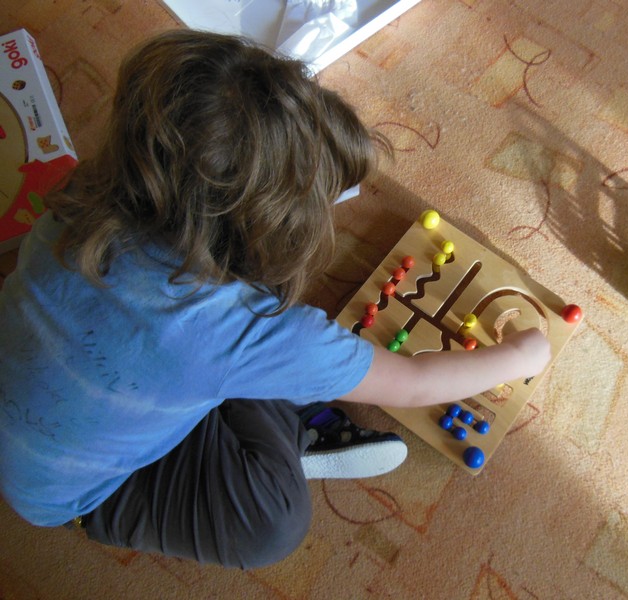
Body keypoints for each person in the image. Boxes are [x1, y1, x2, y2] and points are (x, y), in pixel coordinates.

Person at [0, 30, 551, 569]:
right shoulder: (250, 331)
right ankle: (298, 428)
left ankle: (267, 411)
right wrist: (523, 355)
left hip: (72, 409)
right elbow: (416, 384)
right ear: (271, 230)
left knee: (221, 369)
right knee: (271, 522)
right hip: (85, 493)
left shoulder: (76, 202)